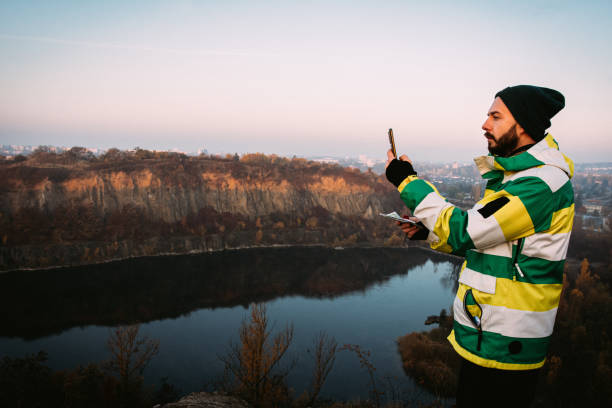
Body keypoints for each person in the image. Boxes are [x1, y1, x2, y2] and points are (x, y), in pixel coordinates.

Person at [385, 85, 573, 407]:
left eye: (495, 116)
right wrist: (426, 233)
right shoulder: (514, 179)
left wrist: (406, 180)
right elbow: (486, 245)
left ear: (524, 125)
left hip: (507, 346)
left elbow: (465, 231)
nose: (485, 124)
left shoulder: (539, 184)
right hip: (490, 338)